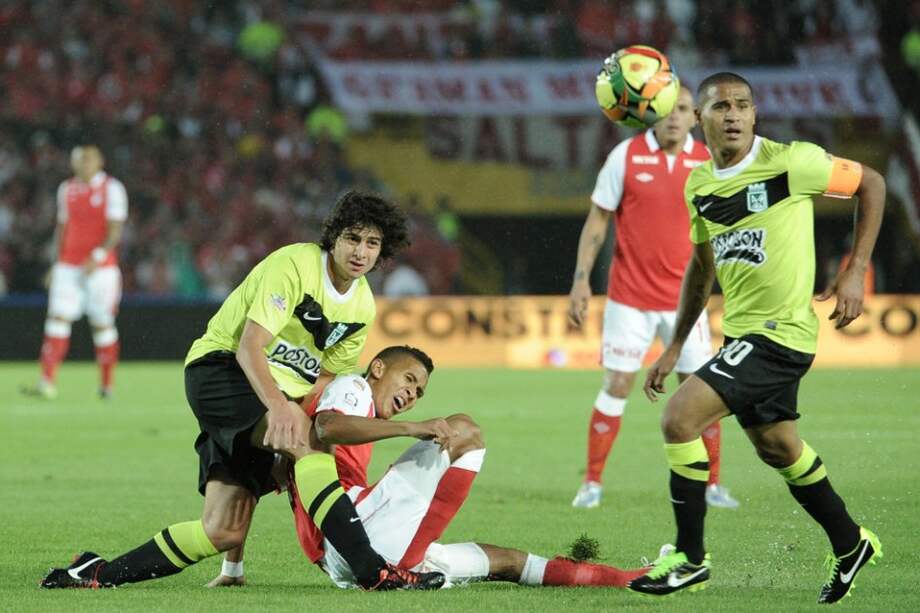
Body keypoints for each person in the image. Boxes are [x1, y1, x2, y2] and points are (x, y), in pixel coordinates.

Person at [40, 190, 444, 591]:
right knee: (311, 445)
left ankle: (94, 574)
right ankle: (373, 572)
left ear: (382, 251)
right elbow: (250, 347)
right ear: (334, 237)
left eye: (372, 243)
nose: (361, 251)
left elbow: (324, 379)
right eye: (353, 239)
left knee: (222, 530)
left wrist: (286, 430)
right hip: (222, 370)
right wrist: (284, 414)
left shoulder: (361, 308)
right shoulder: (295, 265)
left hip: (265, 399)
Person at [629, 73, 885, 604]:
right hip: (743, 336)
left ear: (754, 113)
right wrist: (675, 346)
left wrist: (856, 267)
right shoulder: (698, 184)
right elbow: (701, 271)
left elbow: (873, 184)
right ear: (700, 119)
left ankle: (689, 559)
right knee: (778, 447)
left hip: (782, 334)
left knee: (679, 417)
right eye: (721, 106)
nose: (733, 115)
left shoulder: (794, 161)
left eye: (743, 105)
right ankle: (850, 542)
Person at [208, 345, 650, 590]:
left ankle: (630, 580)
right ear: (378, 367)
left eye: (419, 391)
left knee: (506, 562)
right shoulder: (351, 387)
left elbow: (254, 484)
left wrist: (233, 567)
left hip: (354, 554)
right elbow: (329, 426)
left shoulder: (342, 419)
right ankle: (409, 559)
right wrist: (413, 427)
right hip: (355, 537)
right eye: (408, 380)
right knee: (463, 430)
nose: (413, 393)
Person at [568, 86, 737, 509]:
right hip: (630, 299)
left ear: (695, 116)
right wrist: (581, 279)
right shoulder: (623, 157)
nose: (674, 118)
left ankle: (713, 485)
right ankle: (591, 483)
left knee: (700, 391)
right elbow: (596, 222)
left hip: (688, 303)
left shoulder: (708, 160)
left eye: (682, 110)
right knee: (618, 383)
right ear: (650, 115)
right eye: (665, 110)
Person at [22, 145, 127, 400]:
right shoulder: (66, 189)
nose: (83, 164)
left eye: (88, 159)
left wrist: (97, 257)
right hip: (68, 266)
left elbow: (115, 230)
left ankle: (106, 385)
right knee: (57, 319)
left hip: (101, 270)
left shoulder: (112, 188)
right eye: (79, 160)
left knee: (102, 324)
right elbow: (62, 229)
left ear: (100, 161)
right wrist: (56, 264)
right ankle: (46, 382)